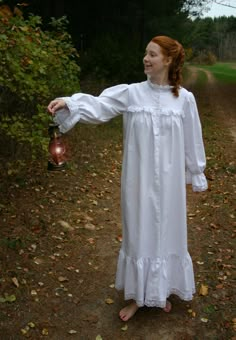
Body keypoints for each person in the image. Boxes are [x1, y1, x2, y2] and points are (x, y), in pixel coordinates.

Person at [47, 35, 208, 322]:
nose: (146, 59)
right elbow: (99, 106)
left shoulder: (185, 99)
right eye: (145, 53)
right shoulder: (132, 93)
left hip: (170, 184)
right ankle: (137, 297)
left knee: (168, 231)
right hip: (138, 179)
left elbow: (192, 138)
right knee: (139, 232)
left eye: (153, 54)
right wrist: (69, 103)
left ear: (168, 60)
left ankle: (160, 292)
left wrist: (195, 171)